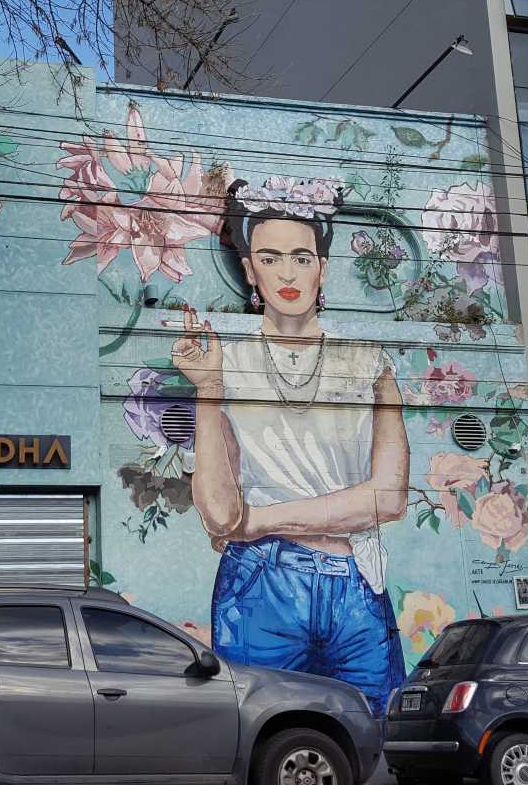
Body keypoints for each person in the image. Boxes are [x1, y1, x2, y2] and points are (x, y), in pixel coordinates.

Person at [170, 176, 409, 715]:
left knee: (375, 730)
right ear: (250, 268)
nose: (287, 273)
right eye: (270, 257)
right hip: (260, 584)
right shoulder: (224, 363)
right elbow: (221, 513)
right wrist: (207, 387)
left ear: (323, 265)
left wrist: (259, 521)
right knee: (261, 732)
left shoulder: (370, 362)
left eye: (302, 257)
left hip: (356, 584)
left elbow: (388, 498)